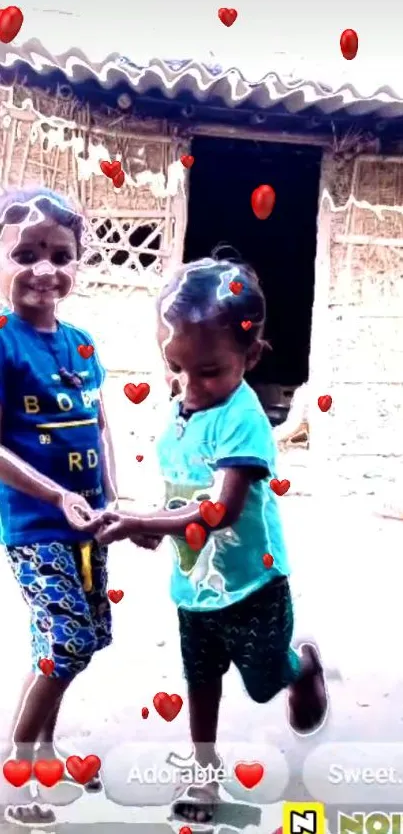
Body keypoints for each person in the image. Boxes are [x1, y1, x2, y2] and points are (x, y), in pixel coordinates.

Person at [94, 258, 329, 825]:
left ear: (250, 357)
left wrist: (148, 522)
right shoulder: (179, 411)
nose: (189, 386)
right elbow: (181, 493)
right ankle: (203, 775)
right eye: (174, 368)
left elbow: (220, 510)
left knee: (263, 681)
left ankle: (302, 668)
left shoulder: (243, 418)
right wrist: (155, 526)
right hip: (194, 588)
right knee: (200, 683)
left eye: (209, 372)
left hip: (253, 583)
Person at [0, 187, 119, 825]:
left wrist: (116, 500)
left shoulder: (82, 343)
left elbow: (100, 424)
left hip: (88, 527)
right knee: (65, 643)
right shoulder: (2, 343)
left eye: (60, 254)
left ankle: (44, 745)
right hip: (37, 526)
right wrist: (58, 495)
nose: (44, 268)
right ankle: (16, 774)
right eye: (25, 253)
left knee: (76, 641)